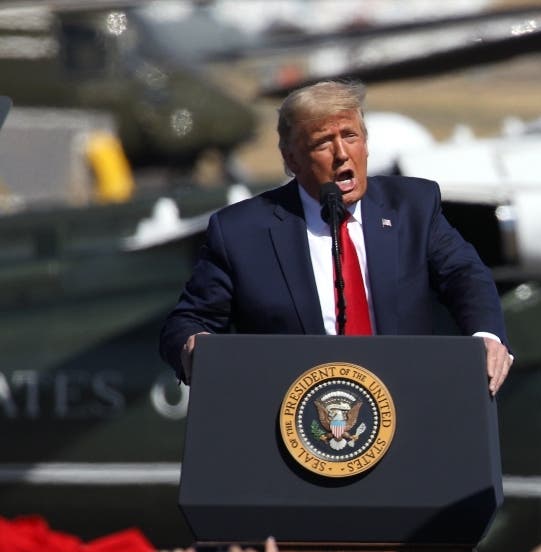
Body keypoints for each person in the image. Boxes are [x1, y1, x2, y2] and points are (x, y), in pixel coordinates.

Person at [159, 80, 511, 395]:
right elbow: (189, 322)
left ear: (366, 145)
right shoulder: (242, 232)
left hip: (406, 404)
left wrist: (487, 338)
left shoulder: (412, 208)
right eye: (324, 142)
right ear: (292, 159)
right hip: (294, 421)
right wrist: (195, 346)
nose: (342, 153)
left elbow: (464, 276)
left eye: (350, 136)